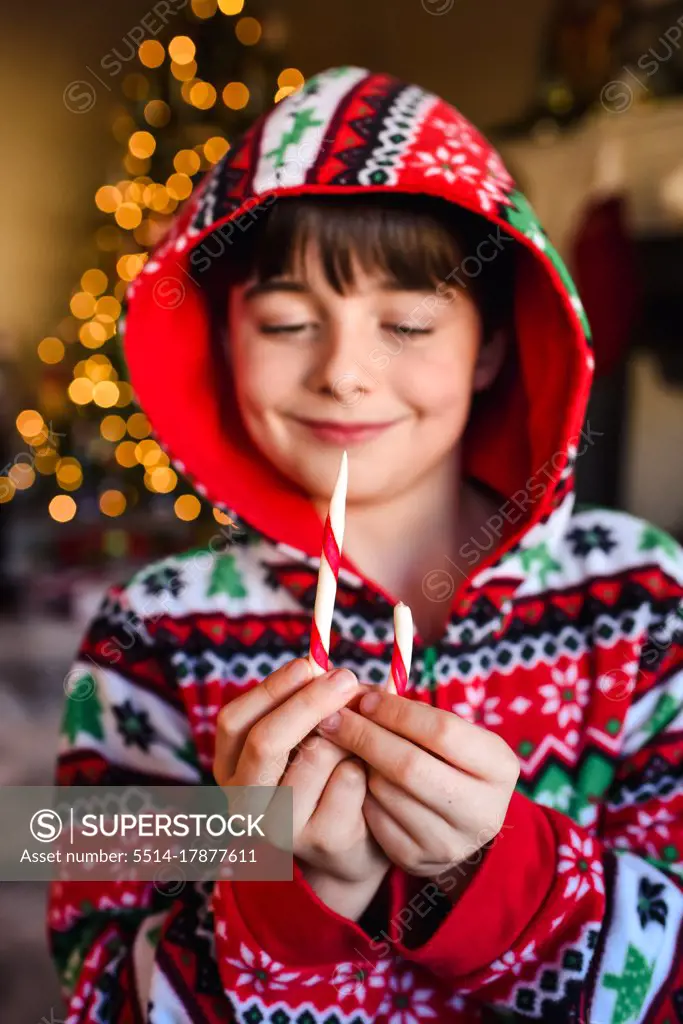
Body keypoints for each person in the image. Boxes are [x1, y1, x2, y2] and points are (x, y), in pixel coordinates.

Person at [47, 65, 683, 1024]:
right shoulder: (148, 633)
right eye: (288, 321)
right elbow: (94, 992)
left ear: (494, 347)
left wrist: (498, 879)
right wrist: (278, 894)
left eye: (408, 322)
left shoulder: (644, 597)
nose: (344, 373)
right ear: (222, 340)